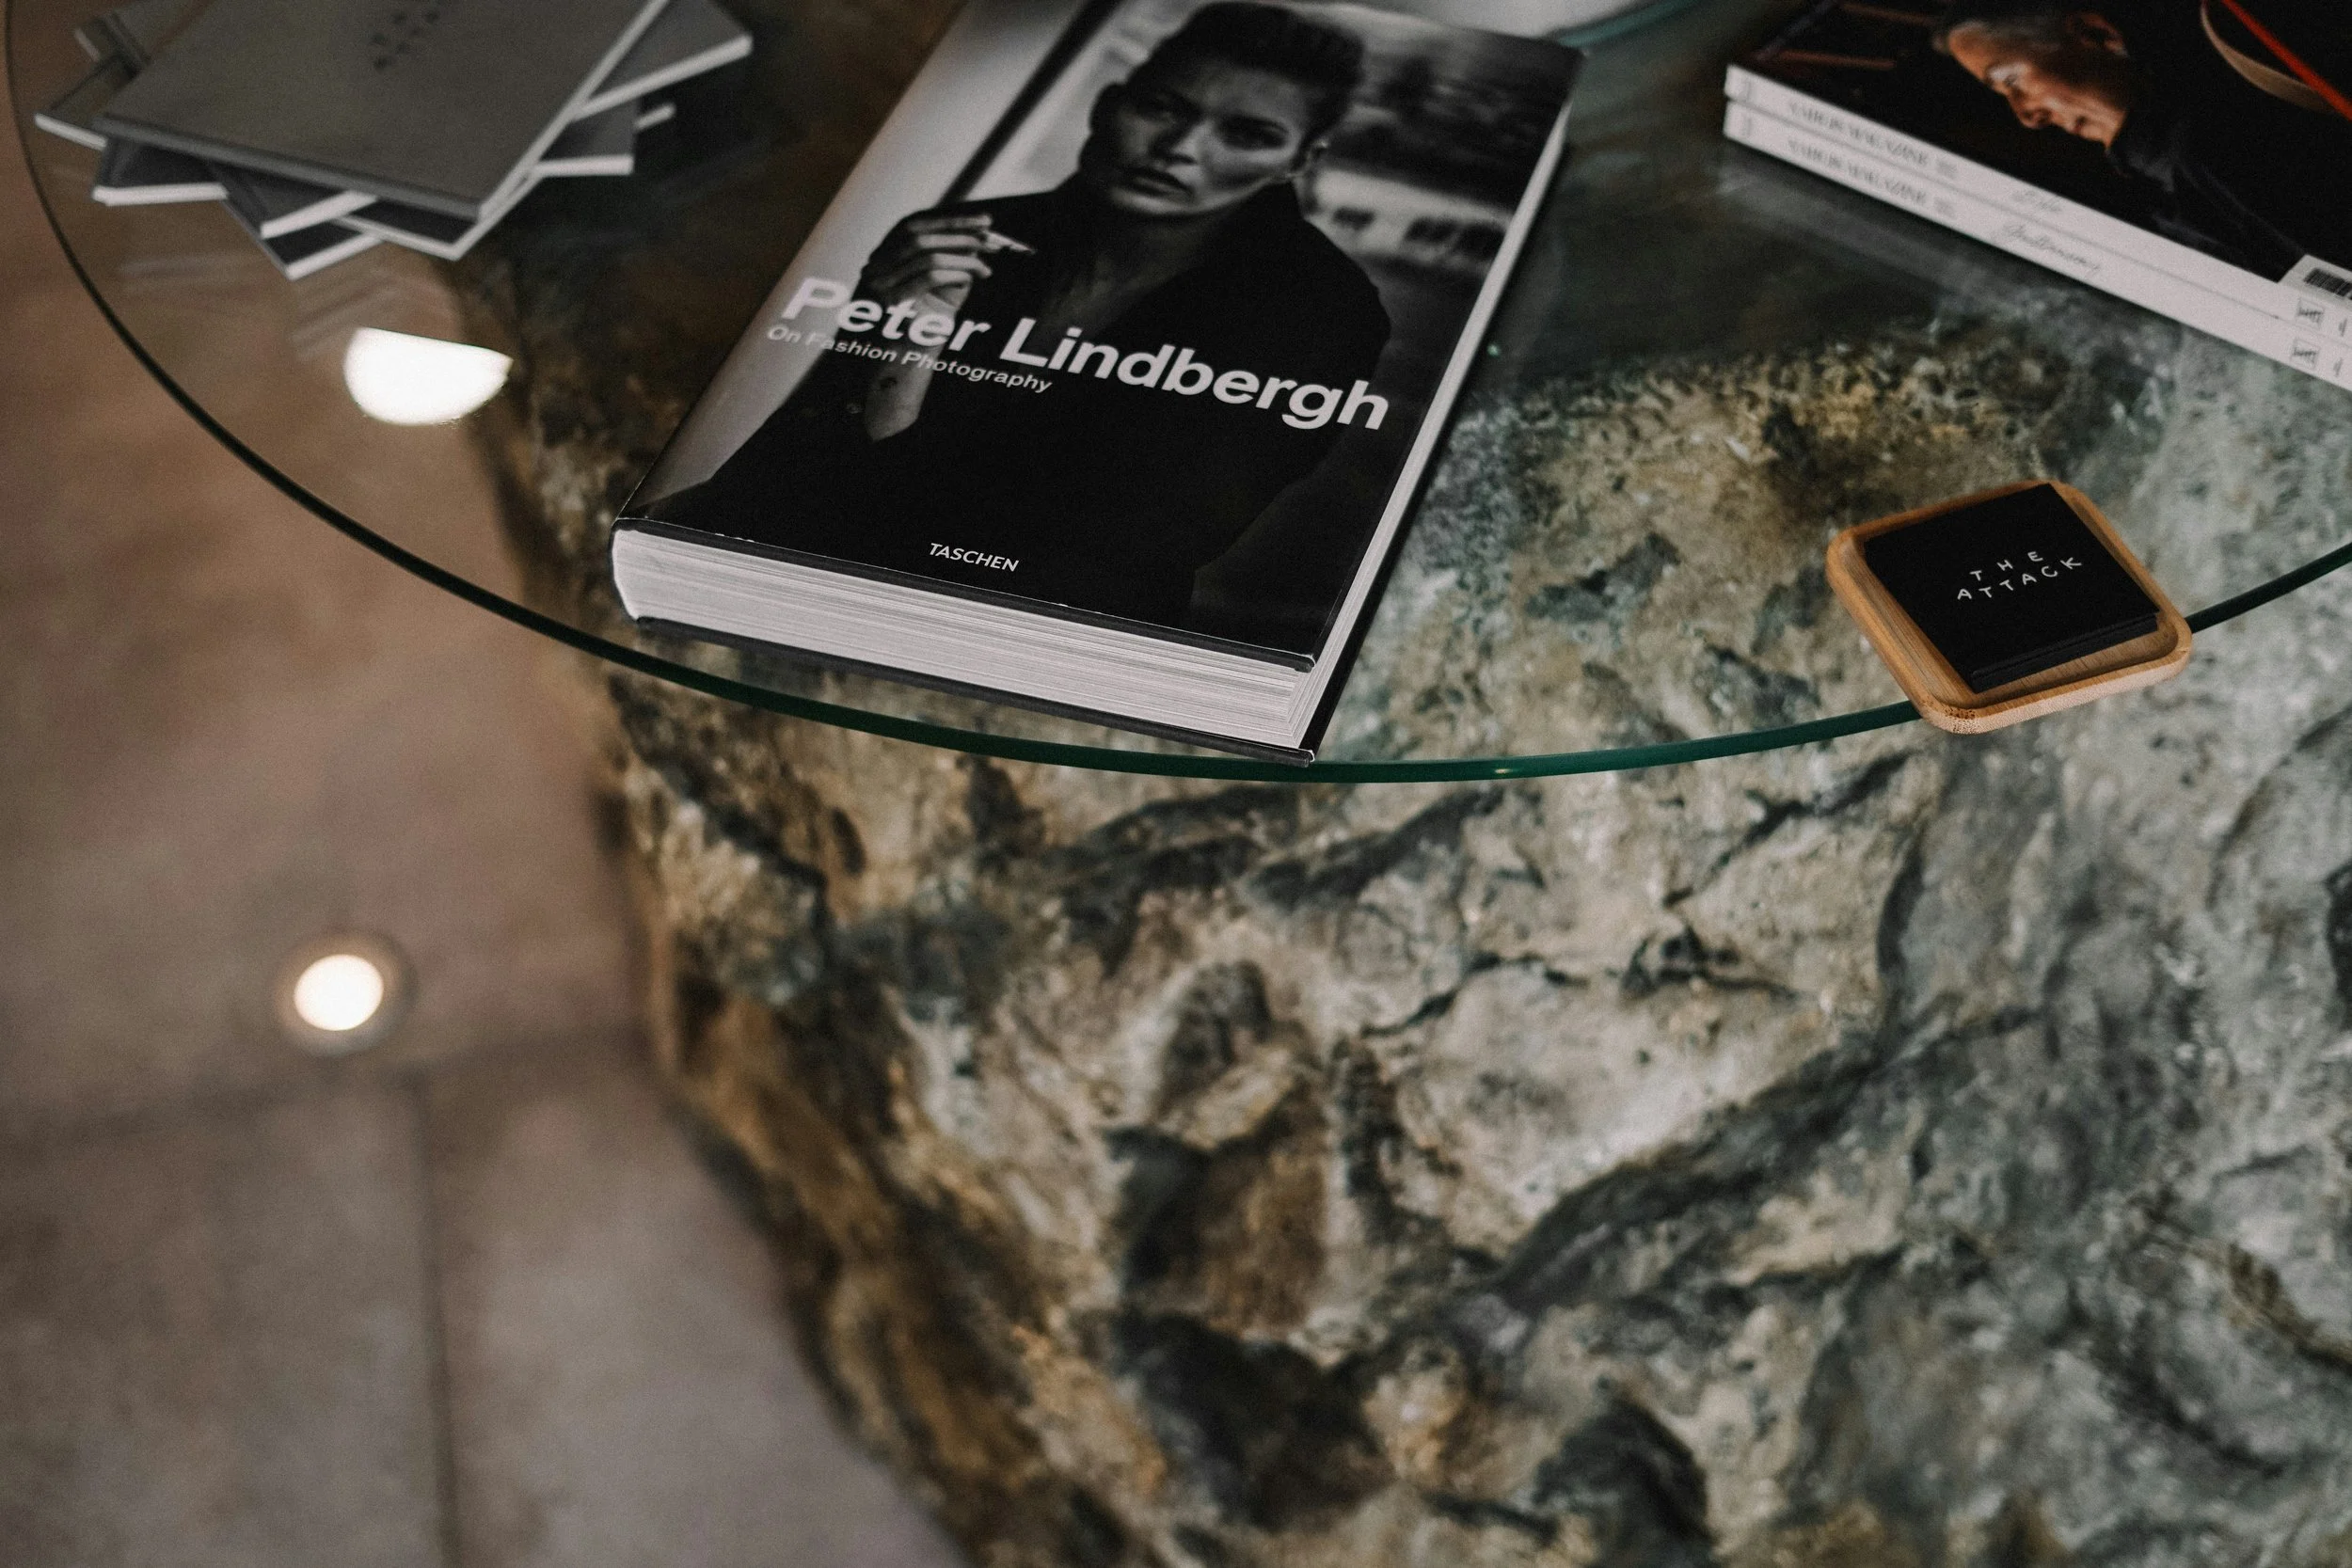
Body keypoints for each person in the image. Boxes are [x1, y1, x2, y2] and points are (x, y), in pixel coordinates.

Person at [654, 2, 1391, 634]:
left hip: (1049, 623)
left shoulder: (1320, 310)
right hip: (807, 578)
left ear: (1300, 159)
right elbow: (793, 455)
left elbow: (1140, 535)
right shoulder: (961, 234)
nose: (1181, 149)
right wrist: (907, 342)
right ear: (1111, 106)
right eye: (1162, 108)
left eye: (1248, 134)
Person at [1932, 0, 2352, 277]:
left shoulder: (2215, 147)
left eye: (2011, 81)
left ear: (2095, 34)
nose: (2026, 116)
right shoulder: (2163, 182)